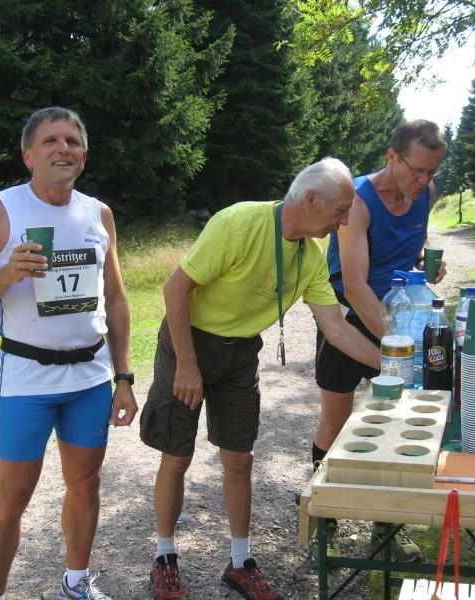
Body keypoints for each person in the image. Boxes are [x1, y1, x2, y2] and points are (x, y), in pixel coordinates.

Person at [140, 157, 386, 600]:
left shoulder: (311, 256)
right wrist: (187, 365)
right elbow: (175, 288)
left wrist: (391, 365)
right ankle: (164, 557)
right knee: (176, 456)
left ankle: (240, 562)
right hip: (189, 342)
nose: (345, 221)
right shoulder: (239, 223)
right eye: (340, 210)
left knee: (240, 459)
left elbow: (336, 327)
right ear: (310, 200)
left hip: (240, 355)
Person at [0, 107, 137, 600]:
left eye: (72, 141)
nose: (63, 149)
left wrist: (124, 377)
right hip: (27, 378)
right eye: (51, 140)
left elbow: (115, 298)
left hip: (90, 377)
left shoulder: (99, 214)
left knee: (86, 484)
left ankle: (76, 583)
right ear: (28, 156)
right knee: (12, 498)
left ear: (84, 156)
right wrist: (6, 275)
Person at [312, 120, 448, 562]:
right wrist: (398, 346)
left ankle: (387, 530)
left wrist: (424, 266)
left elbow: (410, 247)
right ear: (392, 156)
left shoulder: (426, 193)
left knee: (398, 422)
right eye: (416, 170)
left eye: (432, 172)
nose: (423, 181)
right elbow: (354, 285)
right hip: (350, 320)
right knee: (336, 423)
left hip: (399, 317)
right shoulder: (359, 201)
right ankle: (325, 526)